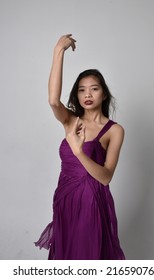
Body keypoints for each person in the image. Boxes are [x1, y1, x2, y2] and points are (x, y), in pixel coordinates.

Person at [35, 34, 125, 260]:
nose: (87, 94)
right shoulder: (71, 121)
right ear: (77, 94)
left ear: (103, 94)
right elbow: (54, 101)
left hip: (92, 201)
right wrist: (58, 51)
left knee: (88, 257)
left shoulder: (114, 130)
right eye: (82, 90)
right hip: (65, 200)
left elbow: (105, 177)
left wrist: (78, 152)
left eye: (94, 89)